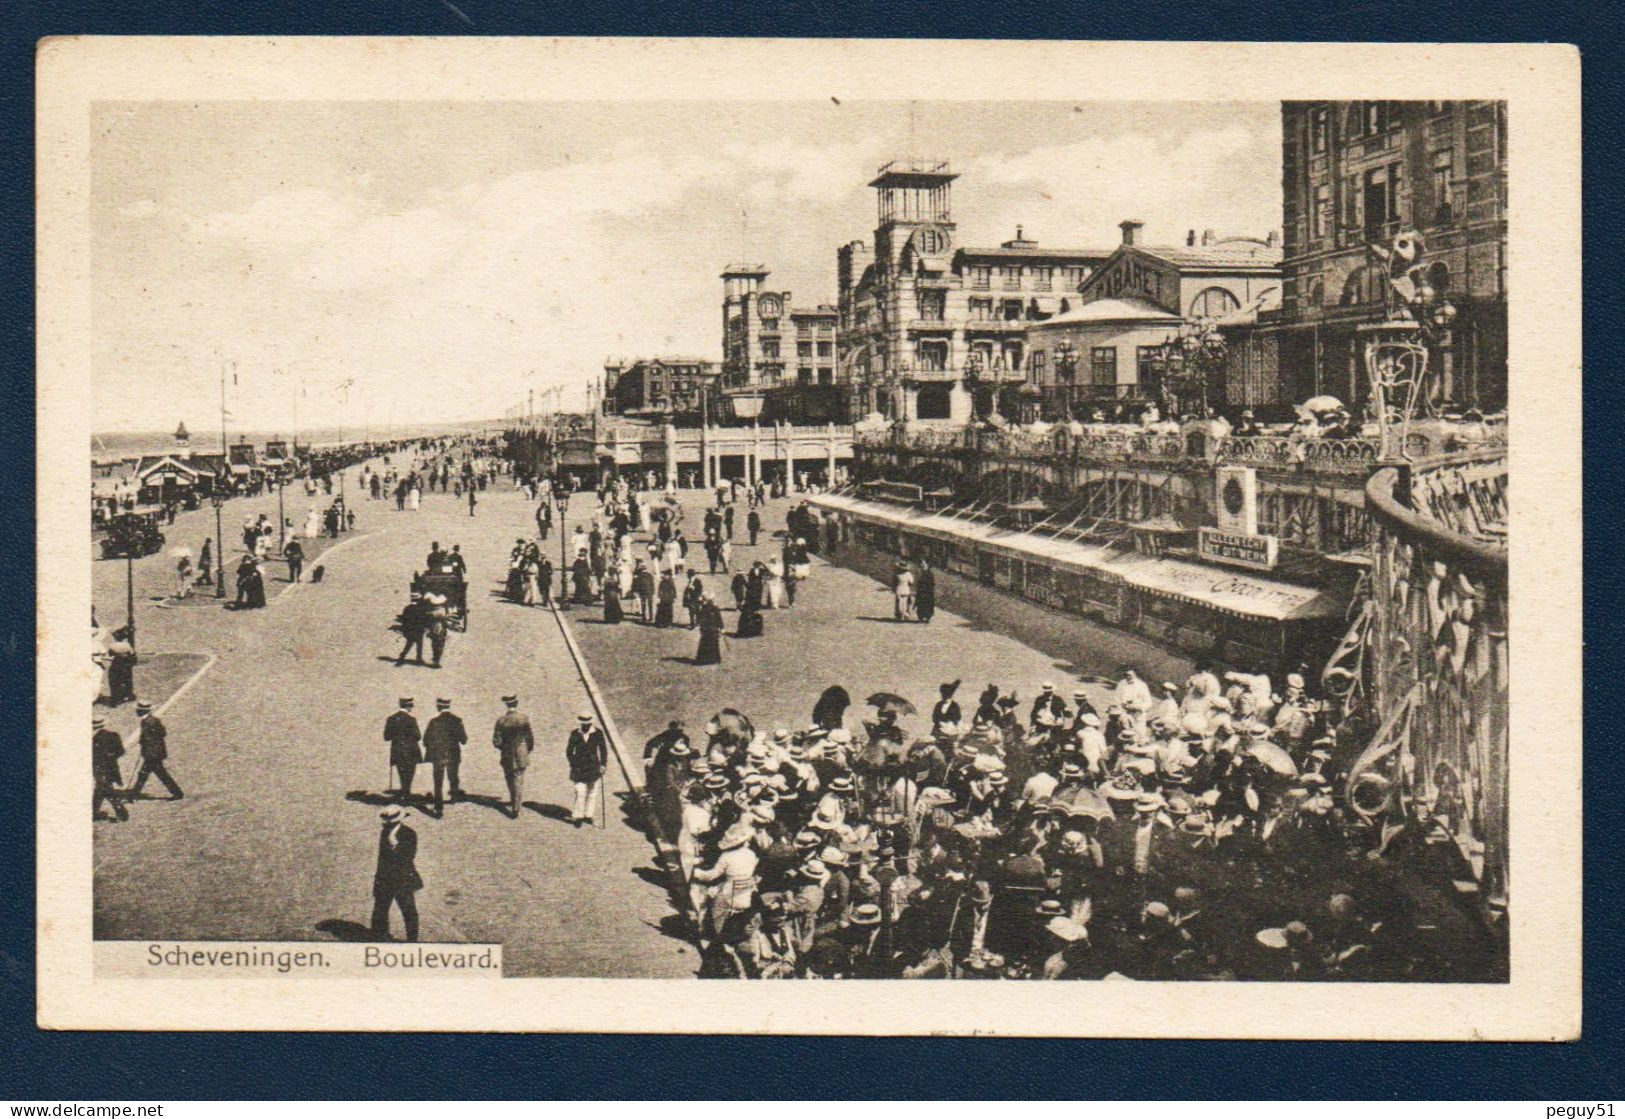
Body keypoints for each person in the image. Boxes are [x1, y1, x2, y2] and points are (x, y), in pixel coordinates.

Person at [370, 805, 423, 943]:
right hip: (385, 879)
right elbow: (381, 859)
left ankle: (412, 941)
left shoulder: (409, 834)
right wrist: (378, 878)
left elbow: (409, 856)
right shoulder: (384, 833)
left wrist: (396, 846)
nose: (387, 824)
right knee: (380, 911)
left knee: (409, 911)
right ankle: (381, 937)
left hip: (403, 879)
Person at [129, 700, 183, 800]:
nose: (136, 711)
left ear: (141, 711)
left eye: (137, 709)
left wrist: (144, 743)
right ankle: (134, 794)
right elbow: (163, 733)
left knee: (157, 774)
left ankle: (178, 793)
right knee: (144, 774)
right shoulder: (153, 719)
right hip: (155, 752)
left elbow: (149, 738)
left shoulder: (147, 722)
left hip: (152, 754)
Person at [492, 694, 534, 819]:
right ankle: (516, 806)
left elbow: (496, 741)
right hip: (521, 753)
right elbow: (530, 738)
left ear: (507, 705)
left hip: (507, 754)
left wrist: (504, 747)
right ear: (516, 703)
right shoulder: (524, 719)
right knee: (519, 779)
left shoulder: (501, 721)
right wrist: (527, 750)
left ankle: (513, 800)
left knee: (509, 778)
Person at [423, 697, 467, 814]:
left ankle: (439, 807)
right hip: (453, 754)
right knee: (453, 776)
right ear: (448, 706)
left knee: (438, 781)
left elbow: (426, 740)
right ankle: (453, 797)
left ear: (439, 707)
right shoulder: (457, 720)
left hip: (438, 755)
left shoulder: (434, 722)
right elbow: (464, 739)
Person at [566, 712, 609, 827]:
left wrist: (603, 765)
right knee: (580, 792)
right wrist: (573, 763)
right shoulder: (575, 734)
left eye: (587, 724)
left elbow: (603, 750)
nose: (585, 726)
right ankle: (578, 816)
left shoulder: (598, 733)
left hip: (593, 767)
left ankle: (588, 814)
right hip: (579, 768)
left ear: (591, 723)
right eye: (583, 724)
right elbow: (569, 751)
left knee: (592, 792)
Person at [384, 697, 423, 802]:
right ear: (409, 706)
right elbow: (418, 736)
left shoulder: (391, 719)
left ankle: (404, 793)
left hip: (398, 751)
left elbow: (386, 737)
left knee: (401, 773)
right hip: (411, 751)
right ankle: (406, 793)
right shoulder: (412, 720)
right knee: (409, 773)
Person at [91, 716, 128, 822]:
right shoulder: (113, 735)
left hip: (99, 769)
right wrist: (111, 757)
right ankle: (93, 812)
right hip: (112, 768)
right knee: (100, 790)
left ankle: (121, 812)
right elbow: (121, 751)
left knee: (105, 789)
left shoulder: (92, 739)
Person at [103, 626, 137, 705]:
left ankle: (116, 697)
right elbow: (132, 653)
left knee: (114, 681)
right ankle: (128, 694)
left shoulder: (112, 645)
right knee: (127, 680)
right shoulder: (126, 645)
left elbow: (110, 654)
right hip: (125, 664)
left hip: (116, 664)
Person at [394, 593, 429, 666]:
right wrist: (426, 626)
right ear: (418, 599)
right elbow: (424, 619)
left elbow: (404, 618)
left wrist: (405, 628)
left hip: (410, 628)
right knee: (419, 644)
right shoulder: (421, 608)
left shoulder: (407, 608)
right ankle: (418, 658)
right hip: (419, 628)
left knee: (409, 643)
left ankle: (402, 656)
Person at [695, 593, 726, 666]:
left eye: (703, 600)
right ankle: (714, 659)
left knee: (707, 644)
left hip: (708, 630)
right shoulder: (713, 608)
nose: (702, 601)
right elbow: (719, 619)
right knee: (713, 645)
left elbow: (700, 620)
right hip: (711, 630)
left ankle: (706, 659)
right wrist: (722, 628)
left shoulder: (705, 609)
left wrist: (722, 627)